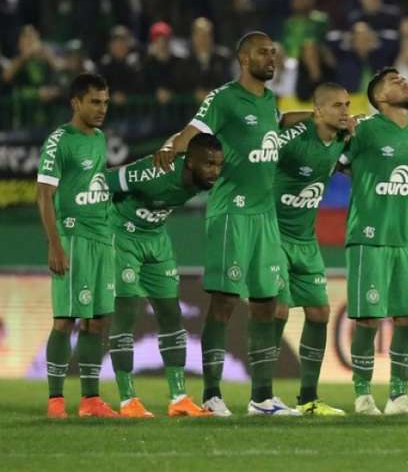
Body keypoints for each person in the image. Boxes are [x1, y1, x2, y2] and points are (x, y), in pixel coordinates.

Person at [154, 31, 310, 417]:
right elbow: (195, 129)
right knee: (224, 302)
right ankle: (211, 394)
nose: (271, 58)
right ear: (244, 58)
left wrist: (319, 116)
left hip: (264, 216)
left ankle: (262, 398)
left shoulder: (269, 99)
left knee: (266, 305)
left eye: (274, 52)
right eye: (263, 53)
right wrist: (171, 146)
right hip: (231, 214)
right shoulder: (224, 98)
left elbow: (278, 121)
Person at [337, 68, 408, 416]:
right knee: (368, 319)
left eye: (405, 80)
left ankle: (398, 397)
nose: (405, 82)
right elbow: (336, 162)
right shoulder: (364, 128)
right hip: (367, 236)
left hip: (403, 238)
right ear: (378, 97)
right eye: (394, 81)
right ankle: (363, 395)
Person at [106, 133, 224, 418]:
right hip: (122, 236)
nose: (215, 171)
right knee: (127, 311)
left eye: (218, 165)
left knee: (172, 314)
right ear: (190, 162)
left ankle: (179, 398)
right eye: (208, 164)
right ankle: (127, 401)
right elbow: (104, 181)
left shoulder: (202, 176)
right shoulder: (155, 170)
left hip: (157, 239)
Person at [37, 73, 117, 418]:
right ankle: (56, 400)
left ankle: (90, 400)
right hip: (73, 239)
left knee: (97, 322)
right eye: (94, 102)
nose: (101, 109)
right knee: (65, 321)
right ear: (76, 103)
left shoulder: (99, 139)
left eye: (105, 102)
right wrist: (55, 246)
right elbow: (44, 195)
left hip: (101, 239)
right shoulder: (59, 140)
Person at [272, 83, 352, 416]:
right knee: (276, 311)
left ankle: (307, 399)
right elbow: (266, 141)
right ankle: (260, 394)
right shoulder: (293, 140)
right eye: (337, 105)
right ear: (318, 111)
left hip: (305, 239)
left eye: (347, 104)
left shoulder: (343, 140)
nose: (345, 111)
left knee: (319, 313)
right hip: (273, 234)